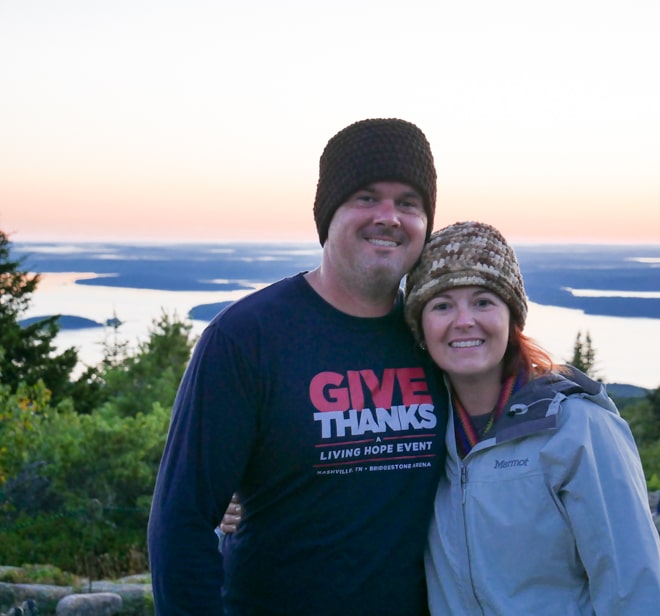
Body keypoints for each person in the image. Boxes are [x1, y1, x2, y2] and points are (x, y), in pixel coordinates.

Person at [147, 118, 449, 615]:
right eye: (367, 197)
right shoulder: (246, 338)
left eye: (408, 203)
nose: (389, 217)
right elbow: (180, 525)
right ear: (328, 214)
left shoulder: (435, 338)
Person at [402, 221, 660, 614]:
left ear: (512, 318)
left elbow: (633, 590)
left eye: (483, 302)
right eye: (442, 305)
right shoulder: (419, 433)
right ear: (421, 328)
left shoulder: (577, 428)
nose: (464, 321)